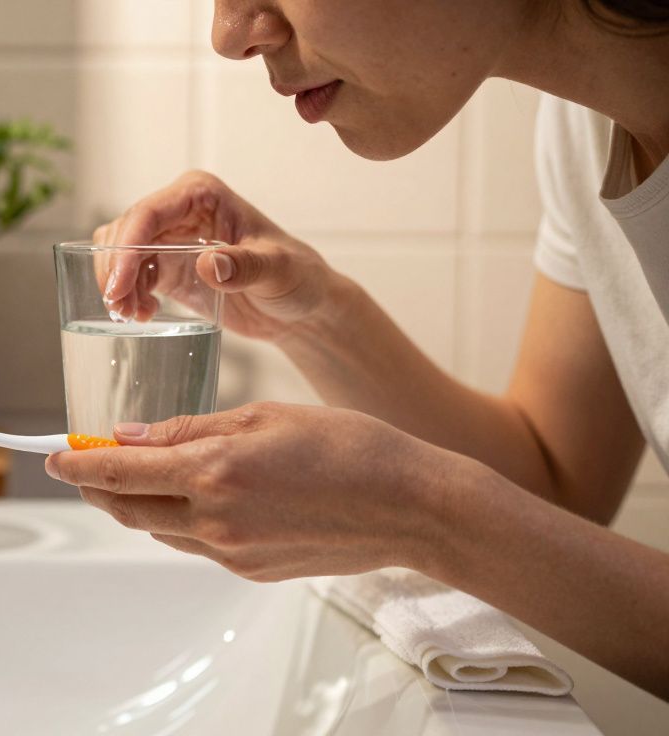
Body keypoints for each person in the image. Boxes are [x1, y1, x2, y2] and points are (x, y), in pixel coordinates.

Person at [45, 0, 669, 699]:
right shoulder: (583, 131)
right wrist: (312, 315)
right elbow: (556, 491)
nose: (229, 36)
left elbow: (509, 519)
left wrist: (422, 514)